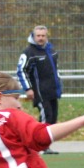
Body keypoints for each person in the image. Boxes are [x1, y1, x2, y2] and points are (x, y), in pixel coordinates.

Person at [16, 25, 62, 154]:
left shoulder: (51, 50)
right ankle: (39, 146)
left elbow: (56, 70)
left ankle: (45, 145)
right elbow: (21, 70)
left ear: (46, 36)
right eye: (38, 36)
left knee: (52, 119)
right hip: (40, 92)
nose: (41, 38)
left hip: (52, 91)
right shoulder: (29, 52)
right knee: (45, 118)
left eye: (43, 36)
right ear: (33, 36)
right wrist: (28, 88)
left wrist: (59, 85)